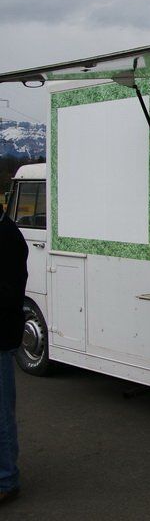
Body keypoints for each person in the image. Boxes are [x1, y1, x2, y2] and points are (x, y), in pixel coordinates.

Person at [0, 203, 27, 505]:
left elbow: (8, 293)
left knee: (1, 414)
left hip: (1, 335)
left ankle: (6, 480)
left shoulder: (7, 237)